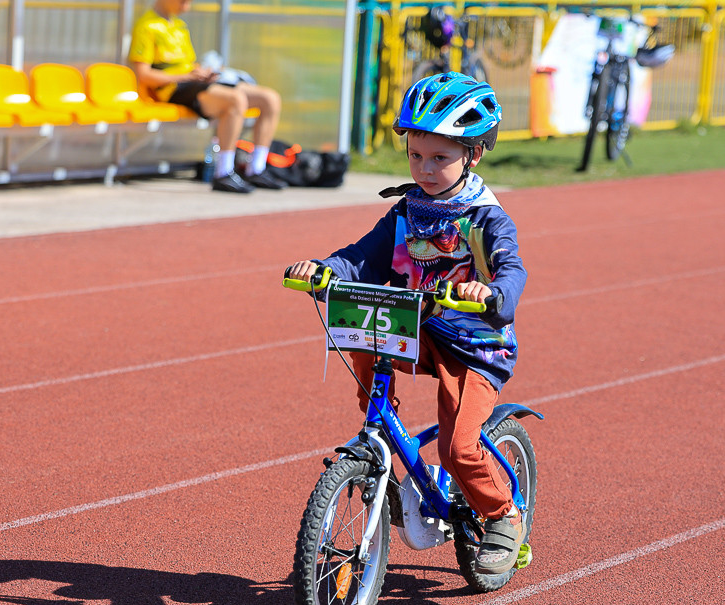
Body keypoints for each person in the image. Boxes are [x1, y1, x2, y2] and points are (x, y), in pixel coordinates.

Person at [286, 72, 528, 575]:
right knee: (362, 325)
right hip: (413, 327)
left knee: (458, 446)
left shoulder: (485, 219)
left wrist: (492, 293)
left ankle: (503, 515)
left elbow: (511, 270)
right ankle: (380, 435)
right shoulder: (405, 211)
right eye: (416, 155)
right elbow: (363, 255)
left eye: (440, 158)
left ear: (473, 156)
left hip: (472, 343)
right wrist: (325, 269)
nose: (425, 168)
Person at [128, 0, 285, 193]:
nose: (188, 4)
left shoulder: (179, 25)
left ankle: (256, 169)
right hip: (174, 90)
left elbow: (187, 64)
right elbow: (144, 75)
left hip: (196, 83)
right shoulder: (146, 26)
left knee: (270, 98)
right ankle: (224, 173)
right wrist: (186, 76)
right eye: (183, 0)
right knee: (236, 100)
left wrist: (204, 72)